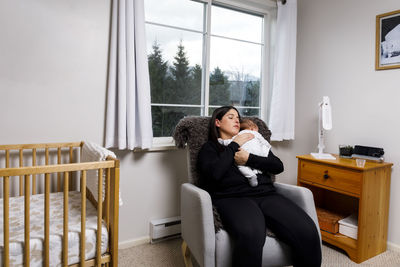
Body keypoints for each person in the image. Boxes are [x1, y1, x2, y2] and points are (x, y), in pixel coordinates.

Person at [197, 106, 321, 267]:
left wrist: (248, 158)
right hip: (232, 198)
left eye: (237, 117)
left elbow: (277, 166)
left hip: (266, 195)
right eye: (230, 116)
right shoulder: (211, 148)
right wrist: (234, 145)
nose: (236, 119)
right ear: (218, 122)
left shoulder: (253, 143)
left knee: (308, 231)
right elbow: (214, 173)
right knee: (252, 233)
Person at [218, 119, 271, 187]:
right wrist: (268, 147)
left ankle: (251, 175)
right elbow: (264, 142)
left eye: (237, 118)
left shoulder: (239, 136)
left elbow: (229, 142)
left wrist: (222, 141)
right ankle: (257, 171)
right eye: (231, 117)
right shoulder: (257, 135)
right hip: (258, 153)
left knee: (240, 165)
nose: (236, 121)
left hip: (244, 152)